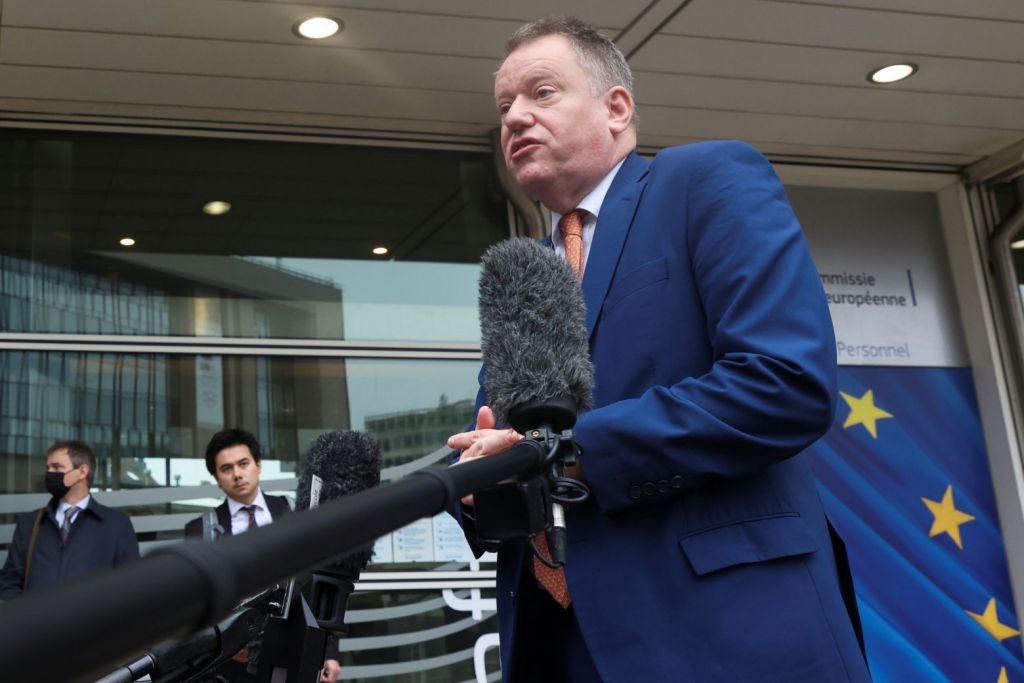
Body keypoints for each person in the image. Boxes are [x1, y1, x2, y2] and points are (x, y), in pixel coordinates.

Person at [448, 16, 870, 683]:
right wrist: (479, 484)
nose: (515, 117)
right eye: (504, 107)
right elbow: (508, 450)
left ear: (616, 108)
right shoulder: (523, 275)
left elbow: (785, 380)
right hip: (559, 646)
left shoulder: (704, 180)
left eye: (541, 93)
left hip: (727, 635)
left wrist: (571, 454)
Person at [184, 428, 341, 683]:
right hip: (232, 667)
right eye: (226, 468)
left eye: (243, 463)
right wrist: (222, 643)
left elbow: (317, 582)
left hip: (295, 650)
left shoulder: (293, 513)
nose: (237, 474)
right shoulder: (200, 530)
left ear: (258, 465)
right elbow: (196, 604)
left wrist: (328, 651)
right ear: (217, 479)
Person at [0, 440, 139, 600]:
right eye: (48, 468)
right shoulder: (30, 523)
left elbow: (130, 586)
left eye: (57, 467)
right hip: (36, 616)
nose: (49, 473)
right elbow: (10, 581)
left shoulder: (116, 525)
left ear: (82, 472)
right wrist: (25, 612)